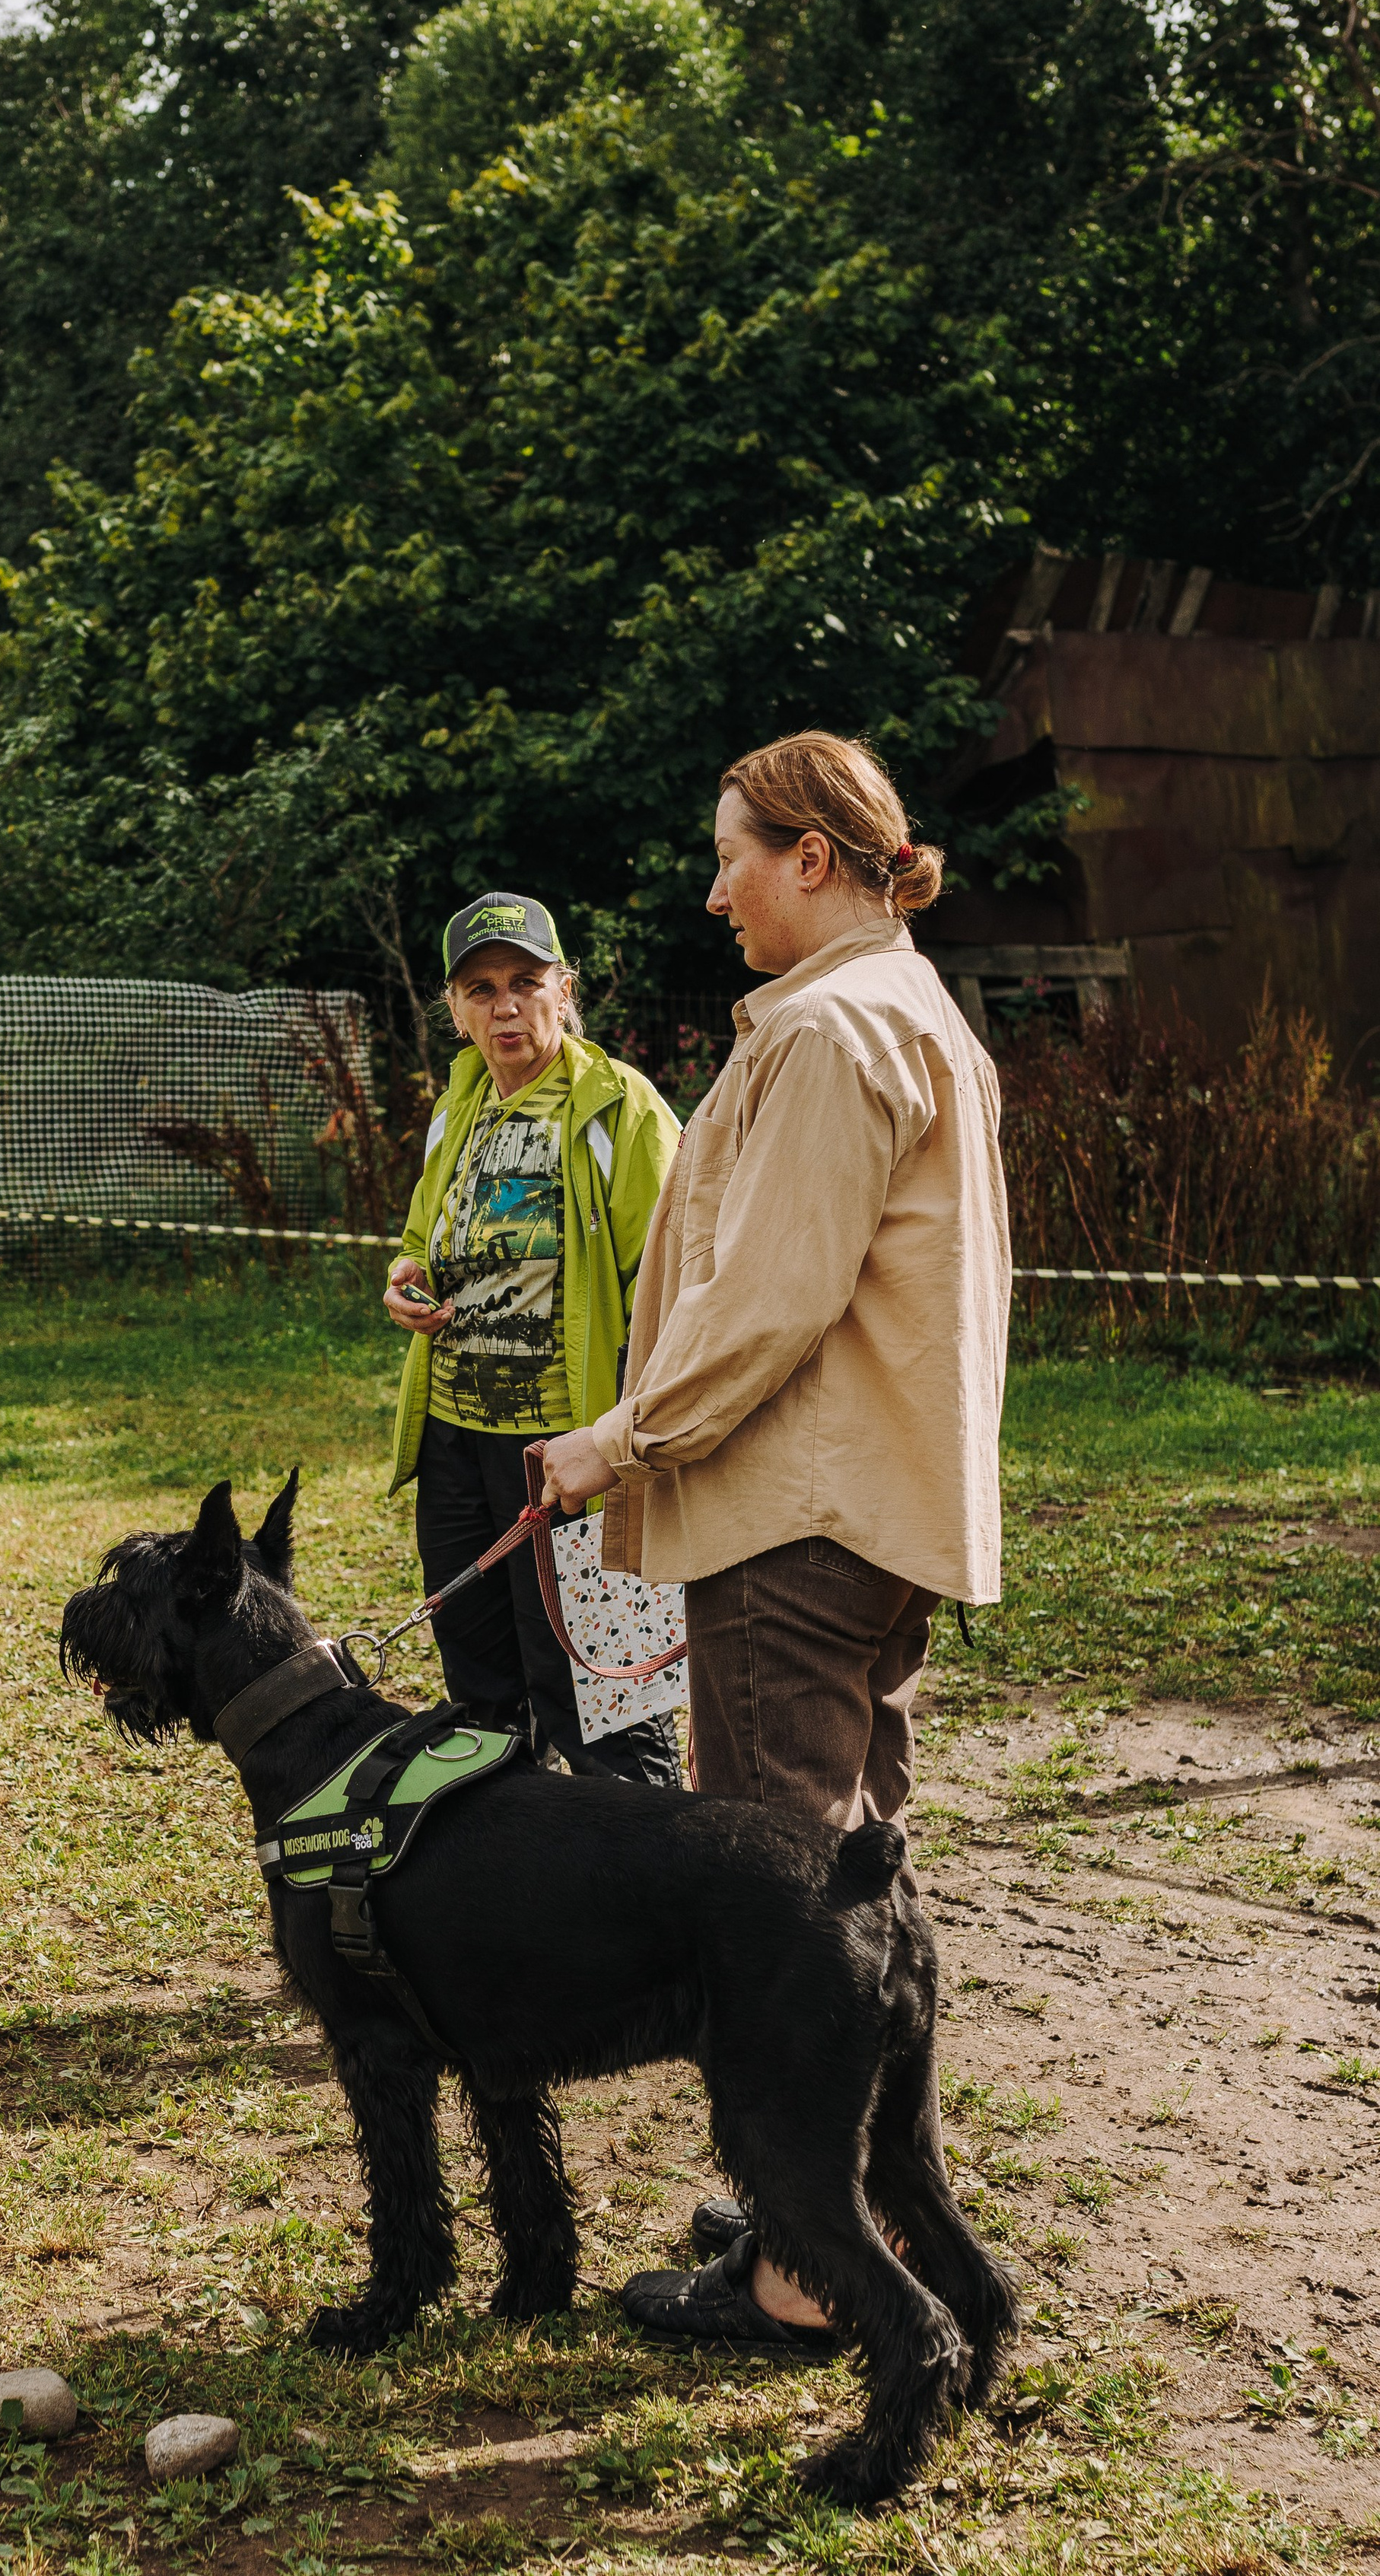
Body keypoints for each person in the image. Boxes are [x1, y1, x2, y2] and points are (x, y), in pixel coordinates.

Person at [541, 731, 1010, 2349]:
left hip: (798, 1519)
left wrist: (613, 1439)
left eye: (730, 849)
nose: (712, 883)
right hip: (872, 1512)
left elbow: (766, 1298)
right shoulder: (914, 1012)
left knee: (777, 1891)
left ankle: (802, 2273)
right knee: (853, 1866)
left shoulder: (826, 1031)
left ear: (810, 854)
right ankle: (817, 2202)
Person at [386, 890, 684, 1782]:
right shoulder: (458, 1103)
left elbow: (675, 1286)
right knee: (479, 1699)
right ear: (453, 1007)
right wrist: (405, 1282)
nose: (504, 1006)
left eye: (524, 982)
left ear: (564, 988)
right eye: (480, 988)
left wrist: (627, 1441)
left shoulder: (616, 1111)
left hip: (574, 1451)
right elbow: (418, 1241)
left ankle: (642, 1892)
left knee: (603, 1702)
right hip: (453, 1444)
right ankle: (515, 1900)